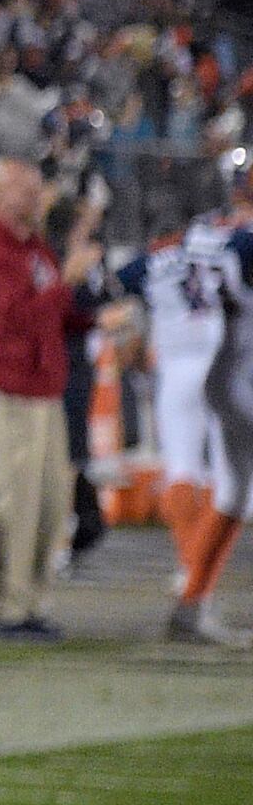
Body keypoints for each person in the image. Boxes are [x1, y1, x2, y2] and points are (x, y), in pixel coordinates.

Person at [0, 156, 103, 640]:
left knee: (49, 504)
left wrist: (93, 320)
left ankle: (32, 602)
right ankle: (5, 607)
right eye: (25, 190)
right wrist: (69, 283)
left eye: (37, 189)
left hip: (45, 387)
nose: (36, 197)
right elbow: (14, 319)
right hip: (8, 388)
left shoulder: (33, 247)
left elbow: (48, 316)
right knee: (16, 505)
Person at [116, 151, 251, 646]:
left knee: (202, 481)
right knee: (223, 485)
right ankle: (193, 583)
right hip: (228, 366)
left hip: (192, 371)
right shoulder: (231, 243)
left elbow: (105, 290)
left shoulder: (159, 257)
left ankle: (190, 585)